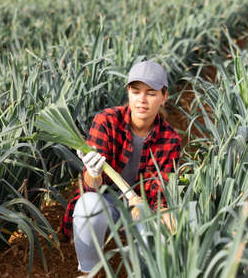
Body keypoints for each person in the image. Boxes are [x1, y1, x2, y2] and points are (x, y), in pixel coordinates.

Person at [61, 60, 181, 275]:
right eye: (136, 92)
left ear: (164, 97)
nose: (142, 100)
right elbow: (90, 187)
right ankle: (89, 270)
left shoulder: (170, 138)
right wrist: (94, 172)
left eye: (151, 93)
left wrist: (157, 216)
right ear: (128, 93)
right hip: (107, 199)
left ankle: (145, 270)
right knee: (88, 206)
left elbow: (159, 196)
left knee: (159, 233)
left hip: (144, 203)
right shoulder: (106, 121)